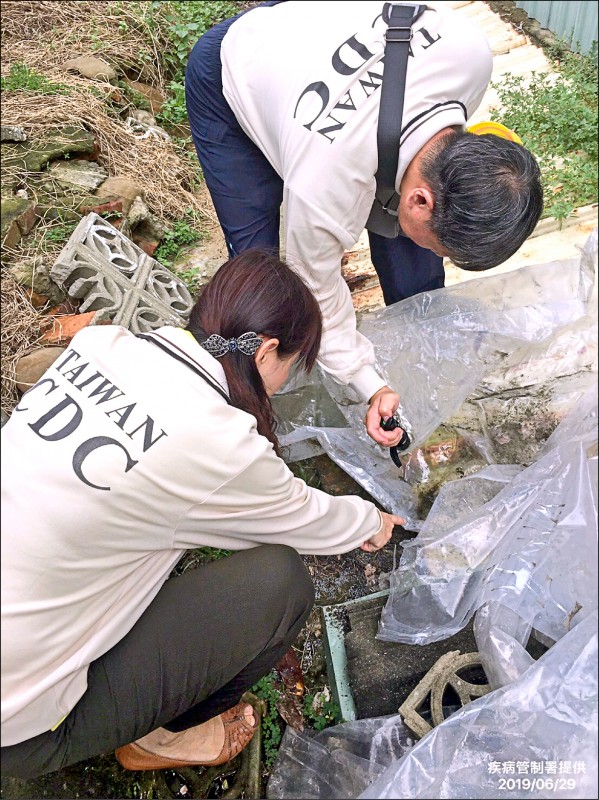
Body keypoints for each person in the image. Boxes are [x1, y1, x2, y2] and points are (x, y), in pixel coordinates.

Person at [1, 250, 404, 779]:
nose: (283, 383)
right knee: (277, 584)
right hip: (18, 723)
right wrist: (374, 522)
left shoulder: (102, 344)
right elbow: (308, 517)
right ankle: (162, 738)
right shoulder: (220, 442)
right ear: (266, 351)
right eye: (290, 366)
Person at [185, 0, 544, 448]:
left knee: (413, 250)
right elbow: (313, 284)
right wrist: (367, 381)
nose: (440, 254)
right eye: (444, 249)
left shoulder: (469, 55)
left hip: (326, 51)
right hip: (238, 63)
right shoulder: (325, 184)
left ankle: (422, 336)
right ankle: (246, 404)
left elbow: (425, 158)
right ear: (418, 199)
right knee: (263, 272)